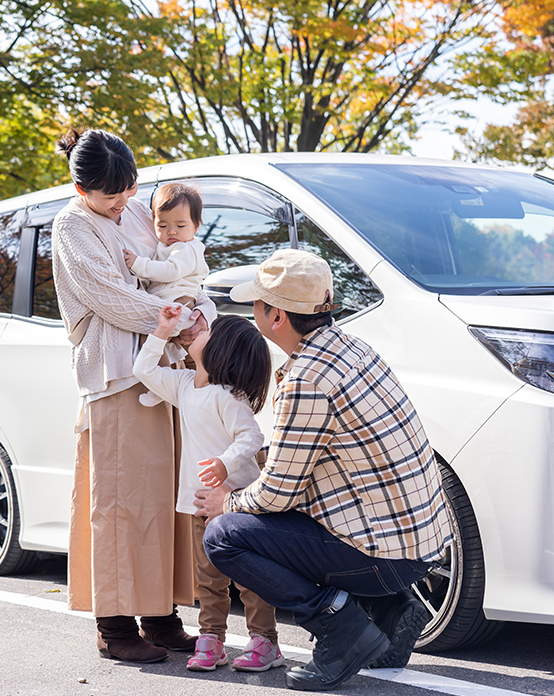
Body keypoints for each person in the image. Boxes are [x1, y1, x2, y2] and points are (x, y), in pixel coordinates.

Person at [194, 249, 453, 691]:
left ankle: (342, 627)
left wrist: (226, 501)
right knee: (281, 516)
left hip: (383, 559)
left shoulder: (307, 379)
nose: (252, 309)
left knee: (224, 535)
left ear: (276, 317)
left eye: (257, 302)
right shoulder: (354, 348)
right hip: (422, 549)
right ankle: (390, 610)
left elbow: (277, 494)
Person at [51, 128, 217, 663]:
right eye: (109, 193)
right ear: (81, 189)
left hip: (161, 368)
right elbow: (112, 299)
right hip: (117, 375)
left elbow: (180, 267)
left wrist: (193, 314)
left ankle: (160, 614)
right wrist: (180, 323)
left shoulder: (139, 211)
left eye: (129, 188)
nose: (123, 201)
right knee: (121, 502)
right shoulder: (73, 225)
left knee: (162, 498)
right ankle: (115, 624)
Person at [133, 305, 284, 673]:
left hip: (236, 503)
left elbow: (252, 436)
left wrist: (225, 463)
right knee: (209, 580)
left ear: (221, 350)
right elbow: (143, 370)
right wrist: (161, 330)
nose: (198, 328)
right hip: (199, 503)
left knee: (251, 578)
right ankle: (211, 640)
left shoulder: (227, 395)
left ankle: (265, 641)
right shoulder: (185, 385)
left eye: (209, 329)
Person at [122, 182, 209, 407]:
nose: (172, 232)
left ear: (196, 225)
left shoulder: (186, 248)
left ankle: (160, 384)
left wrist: (138, 265)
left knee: (156, 342)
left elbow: (171, 272)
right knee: (166, 346)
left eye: (180, 225)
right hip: (169, 298)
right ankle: (161, 386)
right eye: (162, 225)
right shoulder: (170, 245)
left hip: (178, 300)